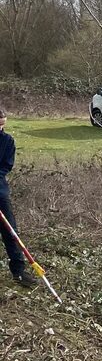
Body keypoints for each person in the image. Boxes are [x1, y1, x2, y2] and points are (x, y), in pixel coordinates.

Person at [0, 109, 36, 287]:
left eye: (2, 124)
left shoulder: (7, 141)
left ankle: (19, 270)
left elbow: (6, 166)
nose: (1, 127)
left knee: (9, 230)